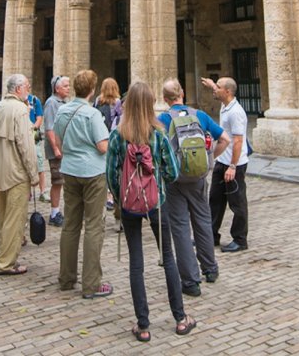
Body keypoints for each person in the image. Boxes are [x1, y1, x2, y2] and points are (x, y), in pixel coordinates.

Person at [106, 81, 196, 341]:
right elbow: (173, 172)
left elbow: (111, 175)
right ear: (149, 105)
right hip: (157, 203)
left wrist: (123, 197)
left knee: (137, 263)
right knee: (167, 258)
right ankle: (180, 319)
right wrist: (157, 183)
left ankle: (143, 325)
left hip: (129, 205)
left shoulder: (117, 135)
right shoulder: (158, 133)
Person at [158, 78, 230, 296]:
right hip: (198, 177)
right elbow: (225, 139)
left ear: (164, 99)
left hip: (174, 179)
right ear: (183, 94)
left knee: (180, 227)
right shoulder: (199, 115)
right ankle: (210, 268)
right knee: (203, 220)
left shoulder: (162, 119)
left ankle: (190, 282)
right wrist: (209, 160)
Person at [54, 69, 113, 300]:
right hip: (93, 173)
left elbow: (58, 140)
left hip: (70, 171)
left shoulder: (62, 111)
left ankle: (66, 278)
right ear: (91, 90)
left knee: (70, 224)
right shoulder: (92, 114)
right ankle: (91, 284)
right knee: (93, 226)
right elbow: (102, 146)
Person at [0, 73, 38, 275]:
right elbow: (26, 147)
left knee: (4, 218)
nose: (29, 89)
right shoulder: (21, 110)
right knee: (15, 220)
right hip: (17, 172)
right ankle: (6, 263)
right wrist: (34, 174)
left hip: (1, 170)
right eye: (27, 86)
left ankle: (4, 255)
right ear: (18, 89)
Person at [200, 76, 250, 253]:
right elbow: (220, 89)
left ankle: (240, 239)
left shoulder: (236, 112)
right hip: (222, 162)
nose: (215, 90)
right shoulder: (225, 104)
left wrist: (233, 166)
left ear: (227, 92)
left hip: (233, 164)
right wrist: (212, 85)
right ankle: (211, 235)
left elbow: (237, 141)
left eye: (218, 87)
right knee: (215, 200)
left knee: (237, 203)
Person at [43, 75, 71, 226]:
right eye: (65, 86)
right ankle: (54, 213)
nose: (68, 88)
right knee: (57, 181)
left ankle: (62, 211)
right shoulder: (51, 103)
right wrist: (55, 148)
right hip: (57, 149)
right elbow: (49, 128)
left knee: (64, 180)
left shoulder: (62, 102)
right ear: (57, 88)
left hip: (64, 148)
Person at [95, 77, 123, 211]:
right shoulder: (117, 102)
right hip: (111, 136)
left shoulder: (97, 100)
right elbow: (121, 119)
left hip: (99, 136)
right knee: (113, 167)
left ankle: (104, 196)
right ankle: (112, 197)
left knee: (102, 166)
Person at [26, 90, 48, 202]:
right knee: (24, 165)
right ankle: (27, 191)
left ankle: (43, 191)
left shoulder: (34, 100)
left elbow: (39, 117)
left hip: (34, 137)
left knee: (39, 163)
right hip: (22, 137)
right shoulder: (17, 102)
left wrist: (33, 129)